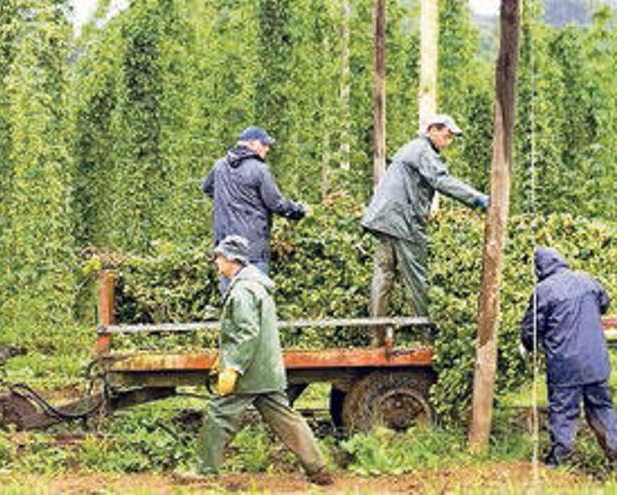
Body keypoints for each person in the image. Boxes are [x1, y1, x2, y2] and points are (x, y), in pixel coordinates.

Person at [178, 235, 332, 485]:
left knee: (219, 414)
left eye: (218, 258)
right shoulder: (256, 286)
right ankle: (318, 469)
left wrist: (233, 368)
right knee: (286, 418)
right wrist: (224, 359)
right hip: (265, 370)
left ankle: (204, 472)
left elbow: (246, 333)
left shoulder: (242, 291)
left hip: (249, 372)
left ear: (231, 259)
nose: (216, 263)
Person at [361, 114, 488, 328]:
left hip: (383, 218)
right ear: (433, 130)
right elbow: (441, 180)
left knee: (384, 275)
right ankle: (424, 332)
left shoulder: (411, 148)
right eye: (447, 137)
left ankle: (376, 335)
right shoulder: (423, 150)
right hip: (403, 220)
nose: (448, 143)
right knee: (416, 276)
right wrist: (479, 199)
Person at [520, 247, 617, 466]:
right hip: (595, 363)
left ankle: (559, 465)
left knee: (564, 413)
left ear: (539, 268)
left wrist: (527, 345)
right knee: (602, 410)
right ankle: (614, 452)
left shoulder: (543, 291)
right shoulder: (588, 281)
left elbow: (532, 328)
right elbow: (604, 303)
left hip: (565, 366)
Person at [202, 126, 308, 296]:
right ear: (251, 144)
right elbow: (276, 204)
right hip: (253, 251)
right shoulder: (259, 169)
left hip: (226, 252)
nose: (268, 148)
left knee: (232, 305)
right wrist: (299, 211)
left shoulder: (219, 166)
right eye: (264, 144)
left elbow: (207, 188)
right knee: (255, 303)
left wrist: (229, 200)